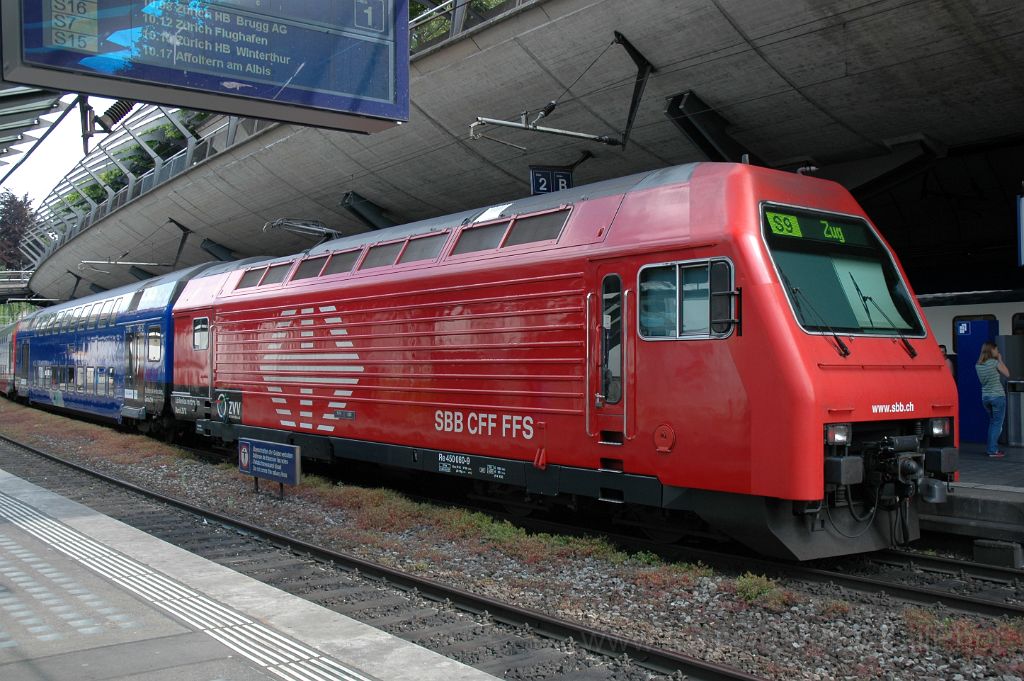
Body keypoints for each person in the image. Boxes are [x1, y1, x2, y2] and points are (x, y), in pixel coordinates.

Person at [976, 341, 1010, 458]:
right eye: (996, 349)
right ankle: (992, 450)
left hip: (985, 397)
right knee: (997, 424)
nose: (998, 351)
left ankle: (991, 448)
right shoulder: (995, 363)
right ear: (992, 350)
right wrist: (1000, 360)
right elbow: (1007, 373)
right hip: (997, 397)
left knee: (993, 423)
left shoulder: (978, 365)